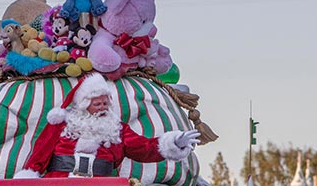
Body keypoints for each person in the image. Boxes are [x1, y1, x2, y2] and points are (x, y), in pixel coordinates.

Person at [17, 73, 199, 179]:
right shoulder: (62, 124)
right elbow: (40, 153)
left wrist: (174, 142)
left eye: (106, 104)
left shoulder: (116, 129)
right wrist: (29, 177)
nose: (103, 108)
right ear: (84, 104)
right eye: (98, 104)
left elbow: (144, 148)